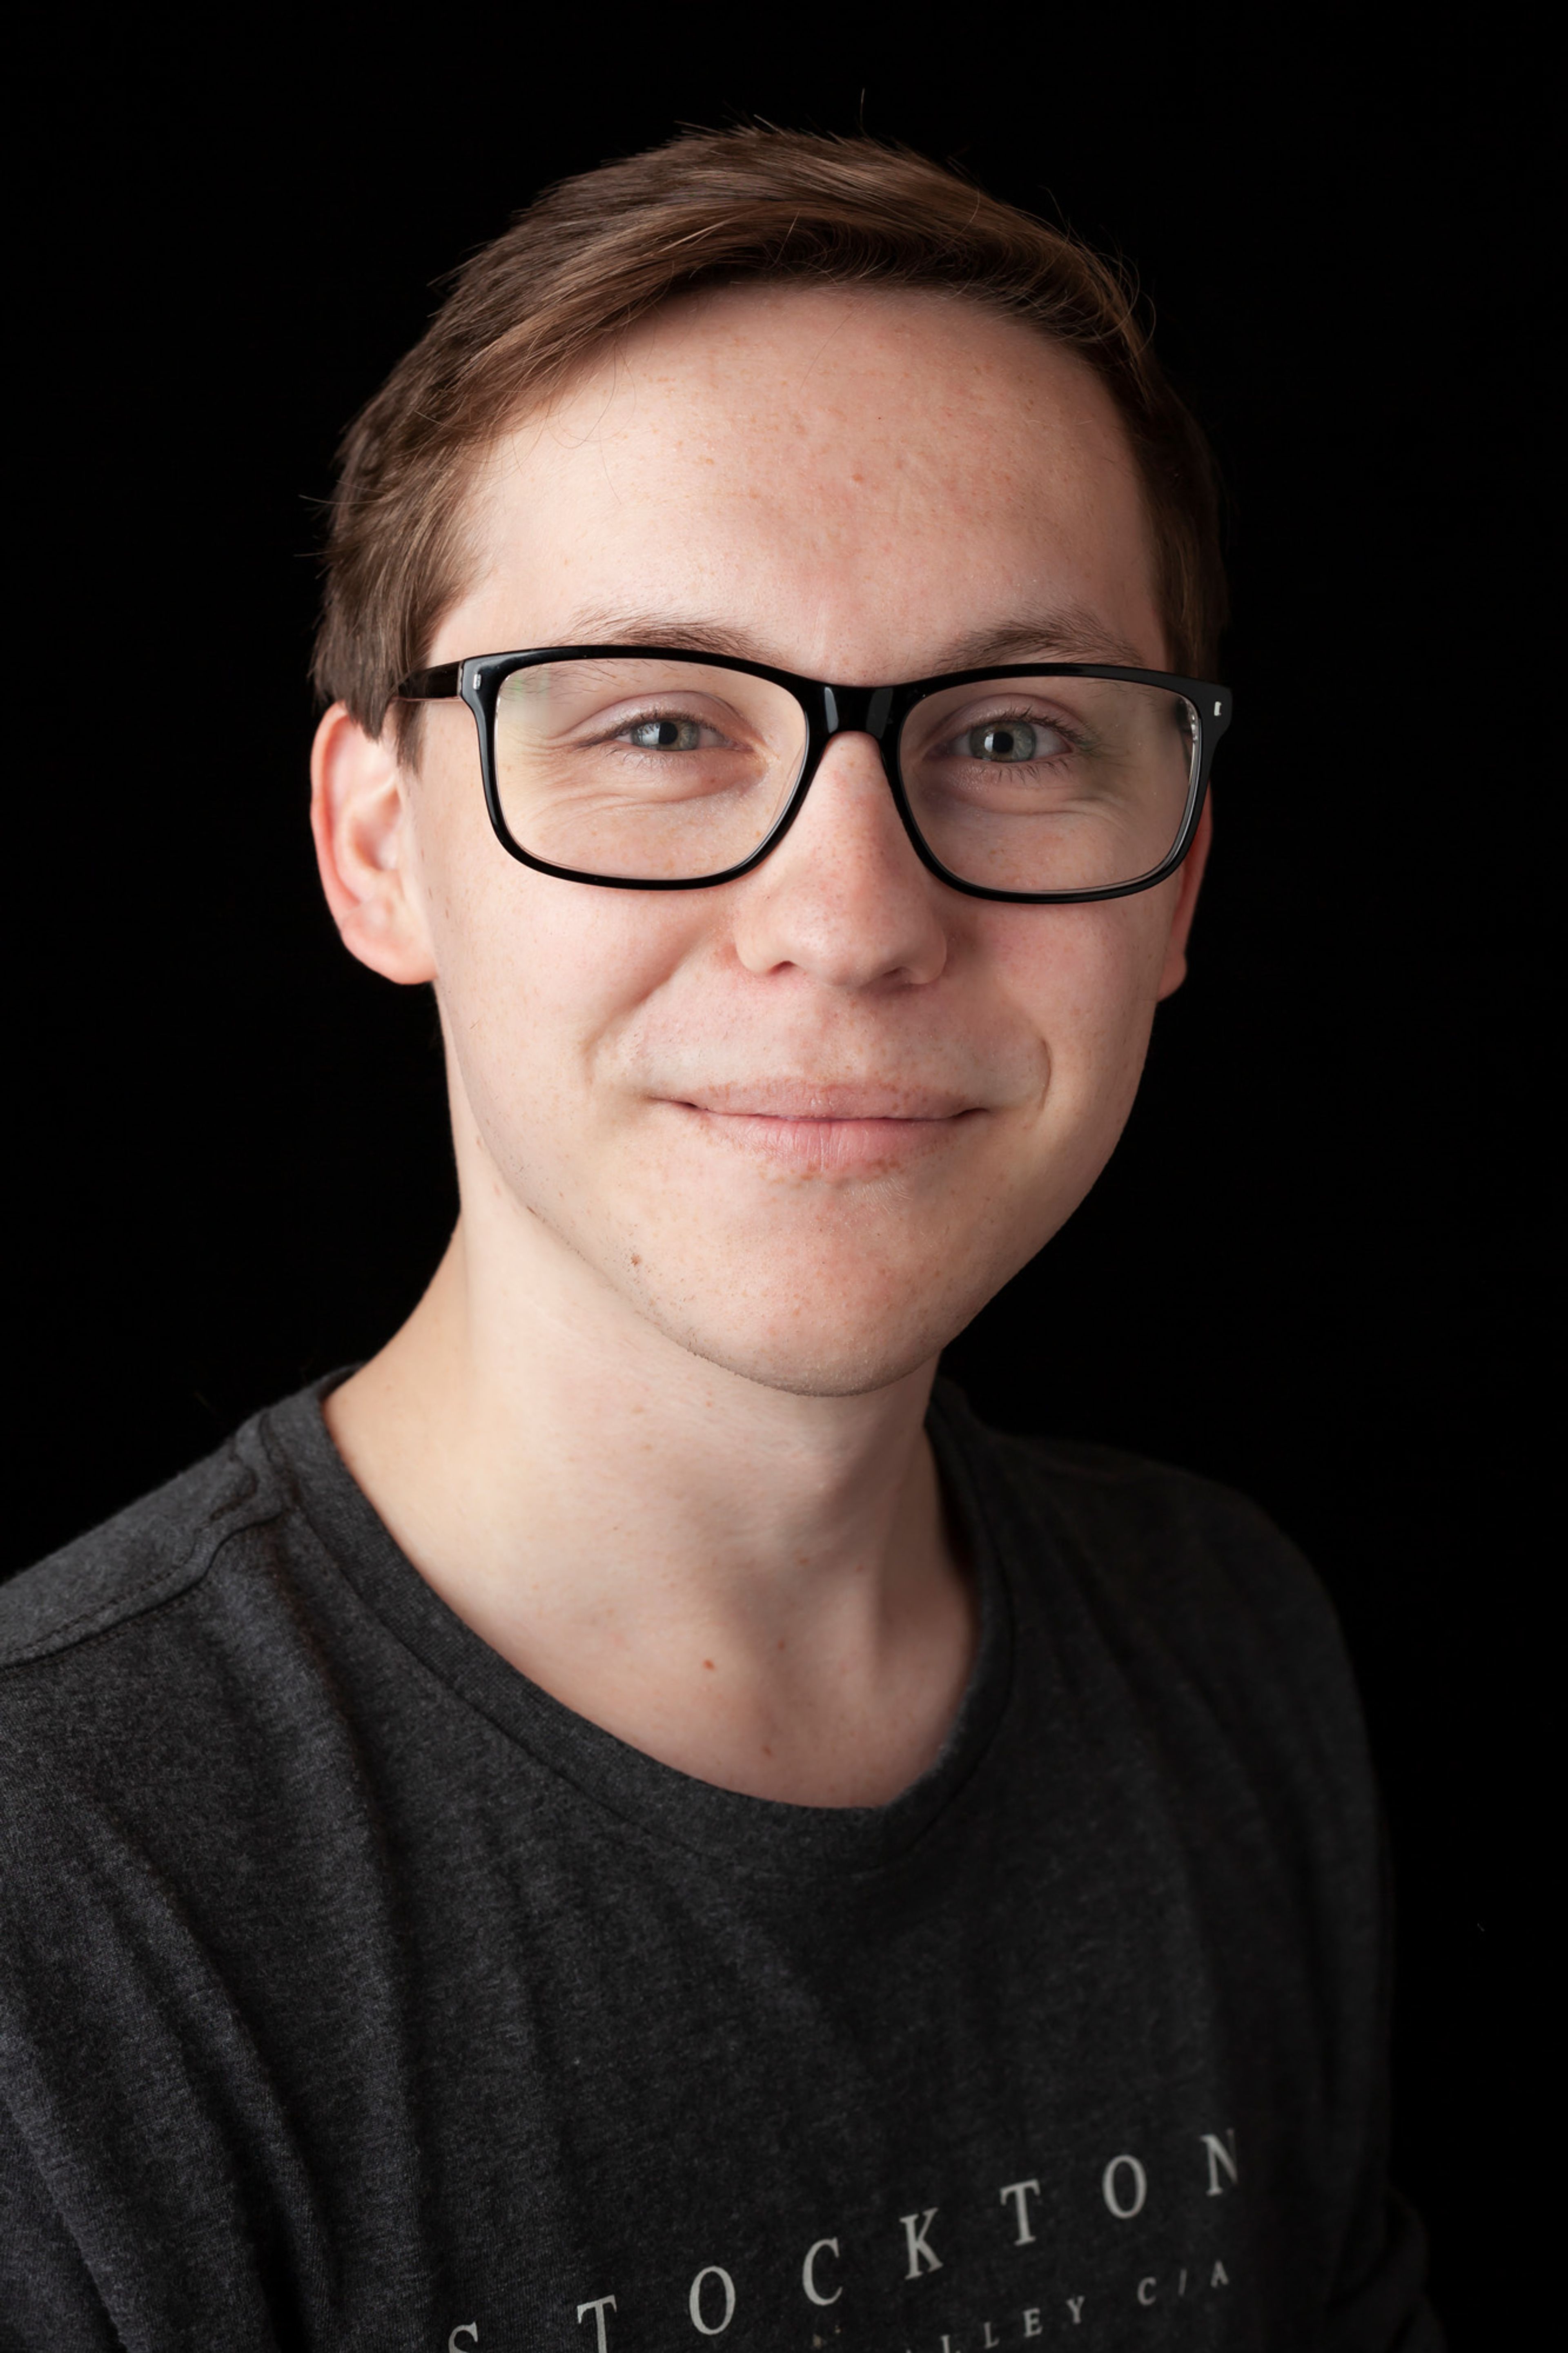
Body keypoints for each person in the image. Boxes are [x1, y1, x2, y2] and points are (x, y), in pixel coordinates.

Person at [0, 129, 1440, 2350]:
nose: (856, 916)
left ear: (1179, 885)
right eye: (663, 723)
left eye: (1018, 731)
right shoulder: (53, 1896)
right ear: (379, 846)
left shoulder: (1235, 1649)